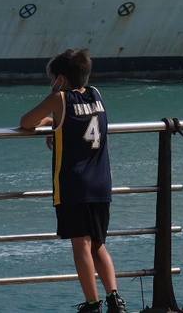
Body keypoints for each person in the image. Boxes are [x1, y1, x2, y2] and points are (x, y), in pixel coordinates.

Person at [20, 49, 127, 313]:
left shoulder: (59, 98)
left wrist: (51, 112)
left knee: (81, 244)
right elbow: (76, 122)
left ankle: (92, 303)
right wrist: (56, 125)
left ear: (60, 79)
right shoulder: (96, 94)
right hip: (101, 182)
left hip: (74, 184)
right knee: (99, 243)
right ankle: (115, 299)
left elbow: (26, 122)